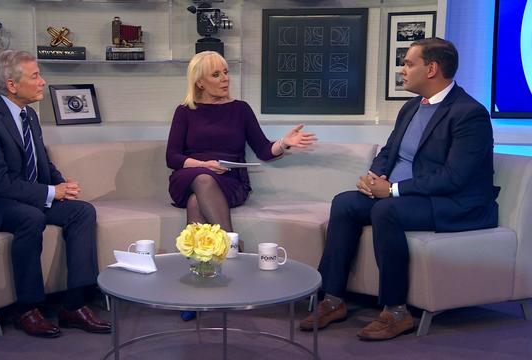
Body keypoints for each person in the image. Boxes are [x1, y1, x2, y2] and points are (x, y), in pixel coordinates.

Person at [299, 38, 499, 340]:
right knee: (345, 203)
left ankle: (396, 311)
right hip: (404, 195)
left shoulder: (469, 113)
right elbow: (389, 151)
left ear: (431, 69)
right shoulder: (410, 108)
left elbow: (455, 177)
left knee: (386, 210)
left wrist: (392, 189)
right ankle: (333, 298)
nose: (402, 70)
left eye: (408, 63)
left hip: (451, 202)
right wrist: (372, 176)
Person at [0, 50, 111, 338]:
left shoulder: (29, 115)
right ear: (12, 85)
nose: (42, 82)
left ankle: (74, 305)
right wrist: (51, 192)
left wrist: (62, 185)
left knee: (82, 211)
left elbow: (42, 161)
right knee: (30, 218)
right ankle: (27, 309)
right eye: (35, 76)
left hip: (24, 197)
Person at [166, 51, 316, 321]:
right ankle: (232, 250)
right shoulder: (184, 112)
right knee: (201, 179)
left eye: (225, 72)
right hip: (188, 176)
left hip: (229, 181)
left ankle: (195, 291)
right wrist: (204, 165)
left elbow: (262, 149)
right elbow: (172, 157)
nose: (225, 79)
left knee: (195, 201)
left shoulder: (240, 109)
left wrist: (284, 143)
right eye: (216, 74)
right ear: (200, 82)